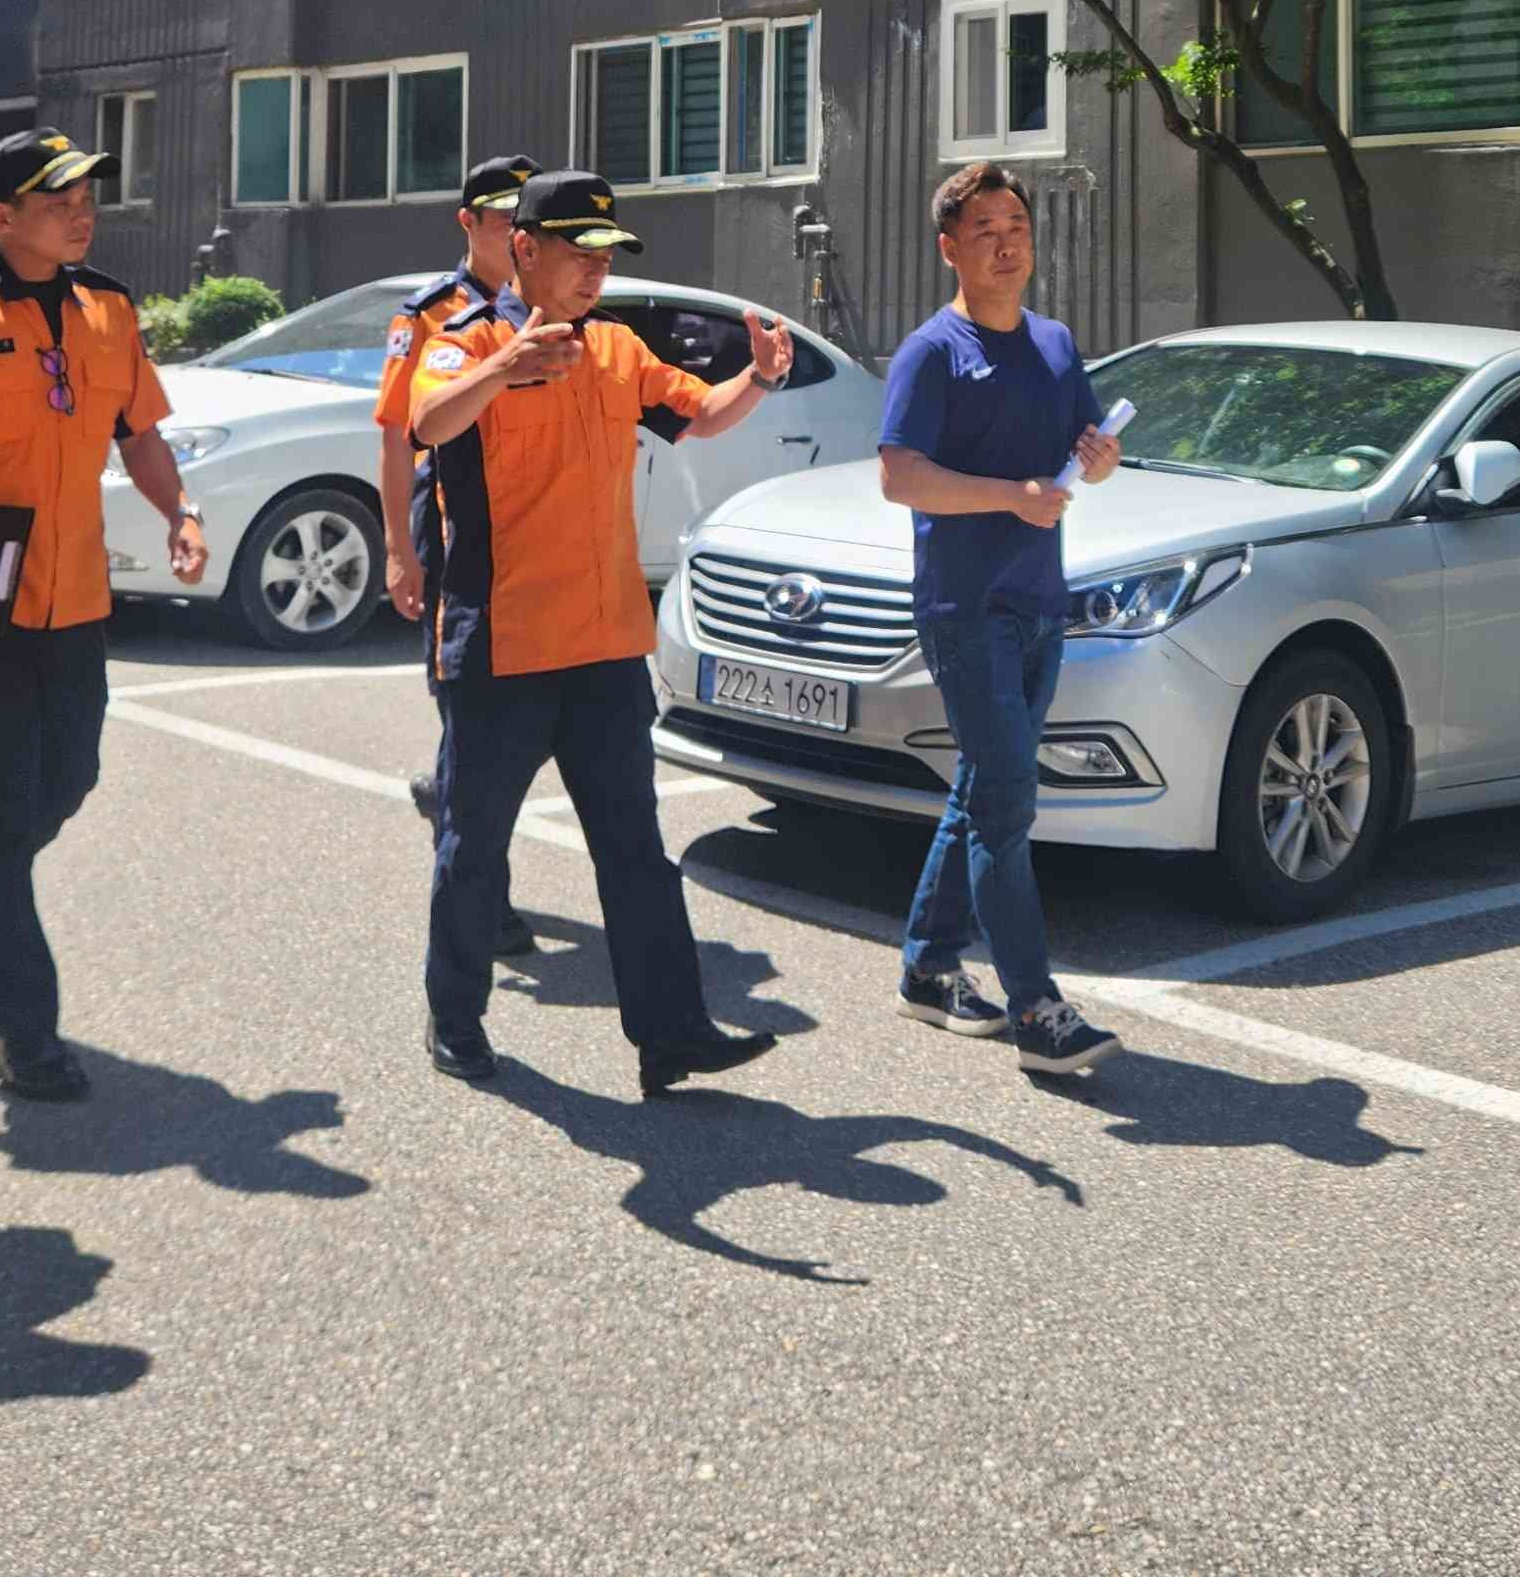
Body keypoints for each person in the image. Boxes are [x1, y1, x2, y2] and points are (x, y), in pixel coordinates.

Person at [394, 168, 793, 1095]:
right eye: (578, 253)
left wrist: (760, 378)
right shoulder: (466, 339)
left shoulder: (617, 345)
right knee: (473, 845)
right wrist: (503, 369)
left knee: (635, 852)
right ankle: (455, 1016)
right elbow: (426, 421)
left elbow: (700, 415)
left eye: (605, 256)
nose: (594, 272)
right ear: (523, 250)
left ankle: (673, 1034)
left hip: (608, 646)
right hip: (503, 645)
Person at [0, 128, 210, 1102]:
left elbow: (139, 433)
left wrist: (181, 513)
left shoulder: (108, 307)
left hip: (73, 603)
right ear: (1, 216)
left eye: (84, 198)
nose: (81, 213)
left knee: (65, 785)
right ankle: (27, 1037)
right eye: (57, 200)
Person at [877, 163, 1122, 1077]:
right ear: (950, 248)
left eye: (1016, 224)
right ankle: (1035, 1008)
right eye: (985, 229)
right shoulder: (931, 352)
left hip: (1039, 602)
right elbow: (900, 476)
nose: (1007, 241)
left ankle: (928, 969)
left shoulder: (1055, 342)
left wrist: (1099, 457)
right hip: (966, 607)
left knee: (982, 788)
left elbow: (1088, 453)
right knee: (1008, 804)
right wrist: (1010, 497)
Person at [385, 154, 550, 959]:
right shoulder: (431, 315)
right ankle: (486, 898)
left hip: (536, 530)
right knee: (470, 710)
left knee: (524, 717)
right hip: (454, 528)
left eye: (526, 219)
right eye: (501, 218)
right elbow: (397, 437)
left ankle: (448, 795)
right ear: (468, 223)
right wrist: (398, 550)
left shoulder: (553, 305)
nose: (515, 232)